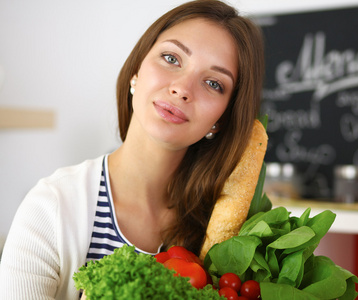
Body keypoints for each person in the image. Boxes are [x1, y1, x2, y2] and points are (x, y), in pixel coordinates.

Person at [0, 0, 265, 299]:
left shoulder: (230, 232)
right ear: (136, 72)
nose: (182, 88)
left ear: (222, 119)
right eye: (171, 58)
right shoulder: (51, 208)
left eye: (213, 83)